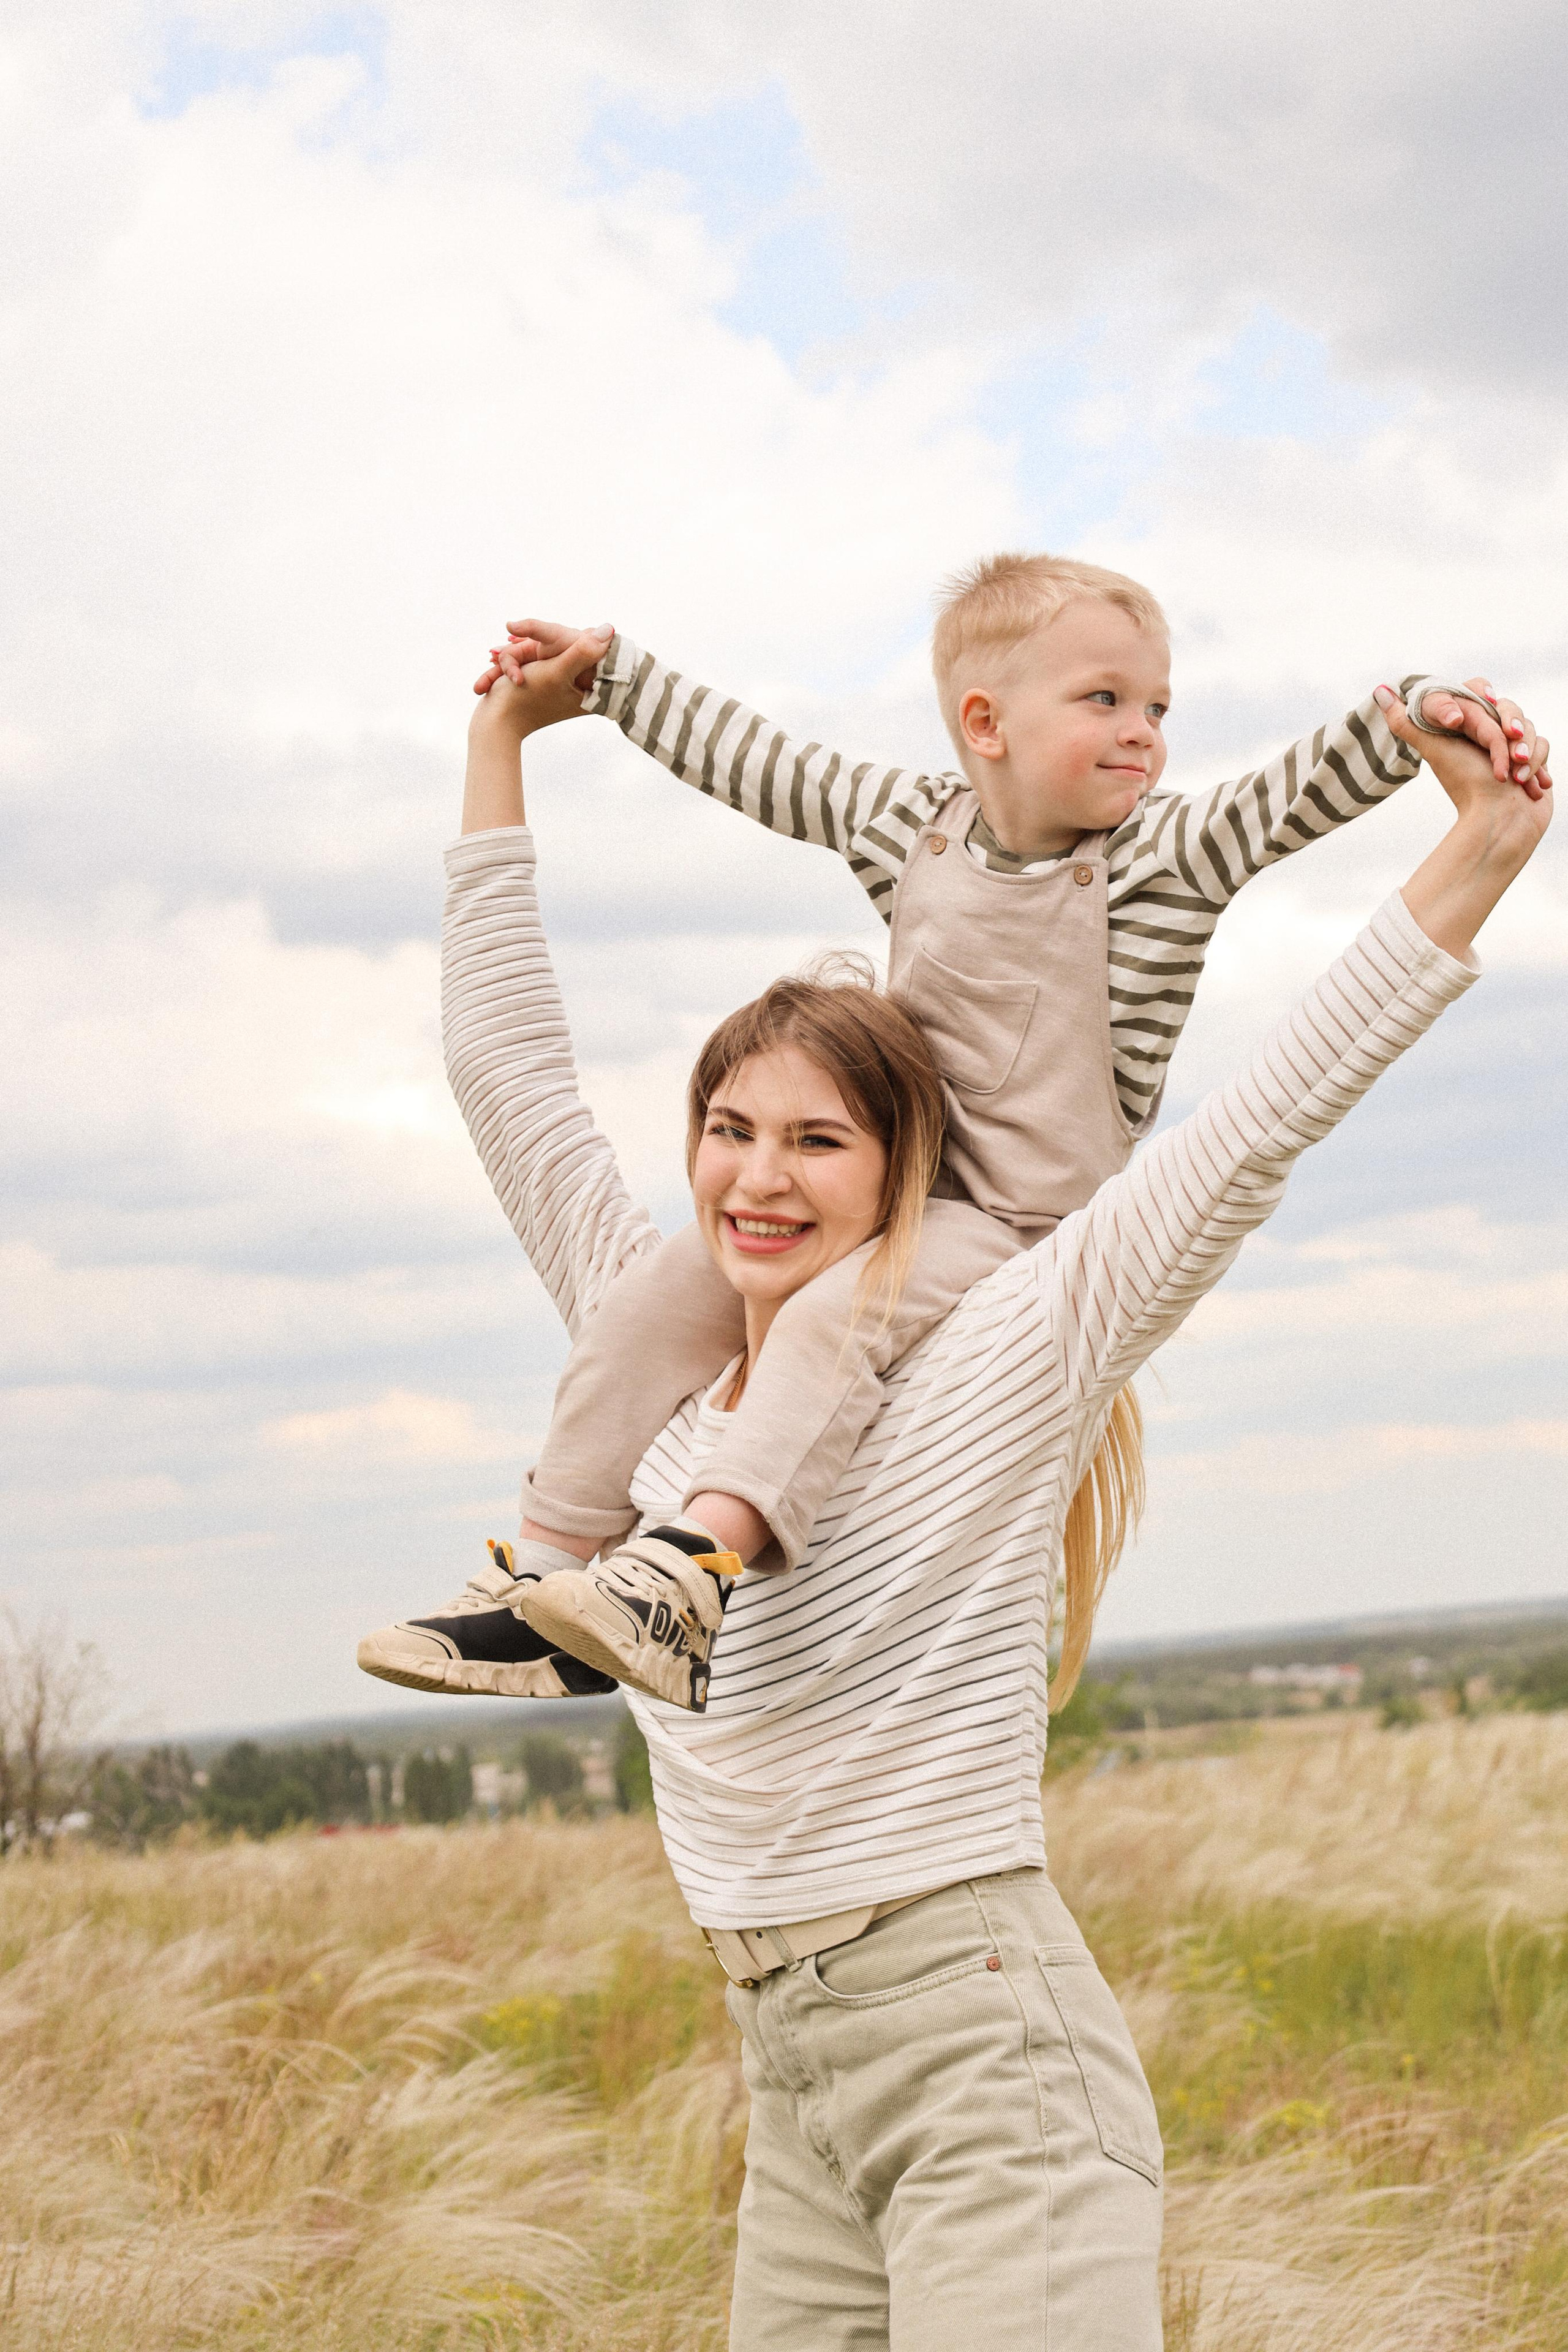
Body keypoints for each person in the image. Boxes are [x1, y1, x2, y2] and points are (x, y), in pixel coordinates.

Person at [379, 647, 1546, 2350]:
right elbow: (508, 1073)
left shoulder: (1012, 1344)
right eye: (729, 1129)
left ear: (905, 1170)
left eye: (820, 1143)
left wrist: (1481, 853)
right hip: (796, 2083)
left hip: (983, 2054)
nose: (758, 1178)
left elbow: (1257, 1123)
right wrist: (498, 742)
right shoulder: (647, 1369)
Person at [357, 556, 1548, 1709]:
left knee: (837, 1312)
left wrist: (1414, 711)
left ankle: (689, 1576)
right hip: (902, 1193)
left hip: (1017, 1227)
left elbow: (1295, 788)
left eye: (1156, 706)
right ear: (985, 722)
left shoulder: (1163, 862)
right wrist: (611, 675)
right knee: (649, 1299)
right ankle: (546, 1579)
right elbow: (759, 762)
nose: (1143, 731)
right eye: (1104, 700)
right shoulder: (905, 826)